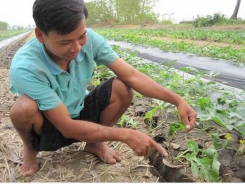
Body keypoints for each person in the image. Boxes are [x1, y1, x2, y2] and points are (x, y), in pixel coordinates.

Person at [9, 0, 197, 177]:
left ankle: (95, 143)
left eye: (81, 36)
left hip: (80, 110)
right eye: (65, 42)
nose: (77, 48)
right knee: (22, 108)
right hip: (50, 124)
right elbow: (66, 127)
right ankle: (30, 149)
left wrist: (177, 100)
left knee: (122, 87)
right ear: (40, 35)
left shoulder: (90, 40)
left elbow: (131, 75)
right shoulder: (26, 66)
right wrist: (127, 135)